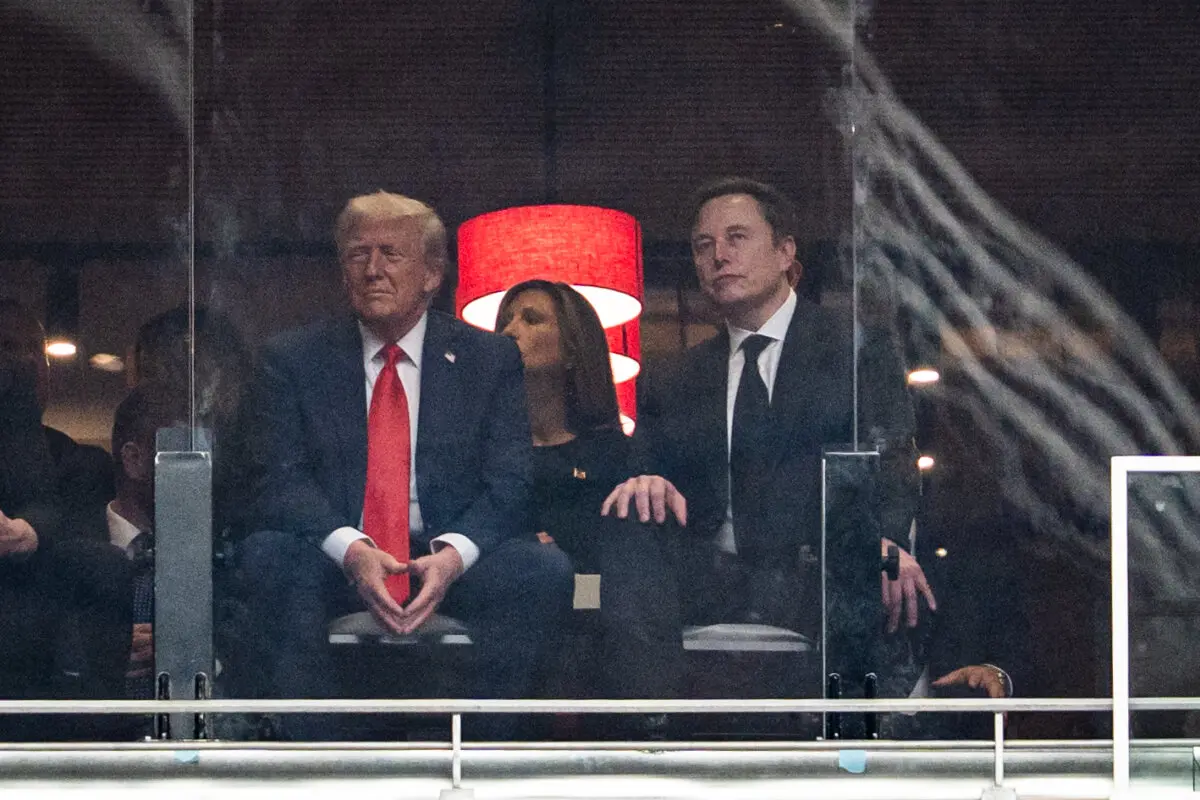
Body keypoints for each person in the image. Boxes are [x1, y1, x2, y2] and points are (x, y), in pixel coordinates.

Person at [237, 191, 574, 740]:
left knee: (541, 571)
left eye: (391, 255)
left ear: (431, 274)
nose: (372, 270)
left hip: (445, 556)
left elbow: (510, 482)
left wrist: (452, 557)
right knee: (267, 557)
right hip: (337, 555)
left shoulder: (488, 360)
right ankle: (315, 756)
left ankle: (485, 753)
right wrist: (351, 549)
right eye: (357, 255)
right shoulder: (294, 359)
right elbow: (281, 480)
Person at [601, 178, 930, 699]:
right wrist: (647, 481)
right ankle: (653, 724)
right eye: (703, 246)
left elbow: (891, 457)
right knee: (629, 528)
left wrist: (884, 538)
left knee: (863, 555)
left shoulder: (852, 349)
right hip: (709, 573)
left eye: (737, 238)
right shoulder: (676, 376)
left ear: (784, 252)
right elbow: (642, 465)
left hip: (814, 569)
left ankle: (852, 746)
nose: (718, 257)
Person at [495, 280, 682, 710]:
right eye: (506, 320)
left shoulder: (615, 453)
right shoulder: (487, 451)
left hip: (602, 631)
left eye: (531, 319)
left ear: (574, 348)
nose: (510, 330)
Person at [0, 298, 133, 741]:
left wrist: (29, 532)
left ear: (47, 371)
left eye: (22, 354)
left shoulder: (82, 466)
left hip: (49, 689)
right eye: (1, 351)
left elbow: (72, 522)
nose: (12, 366)